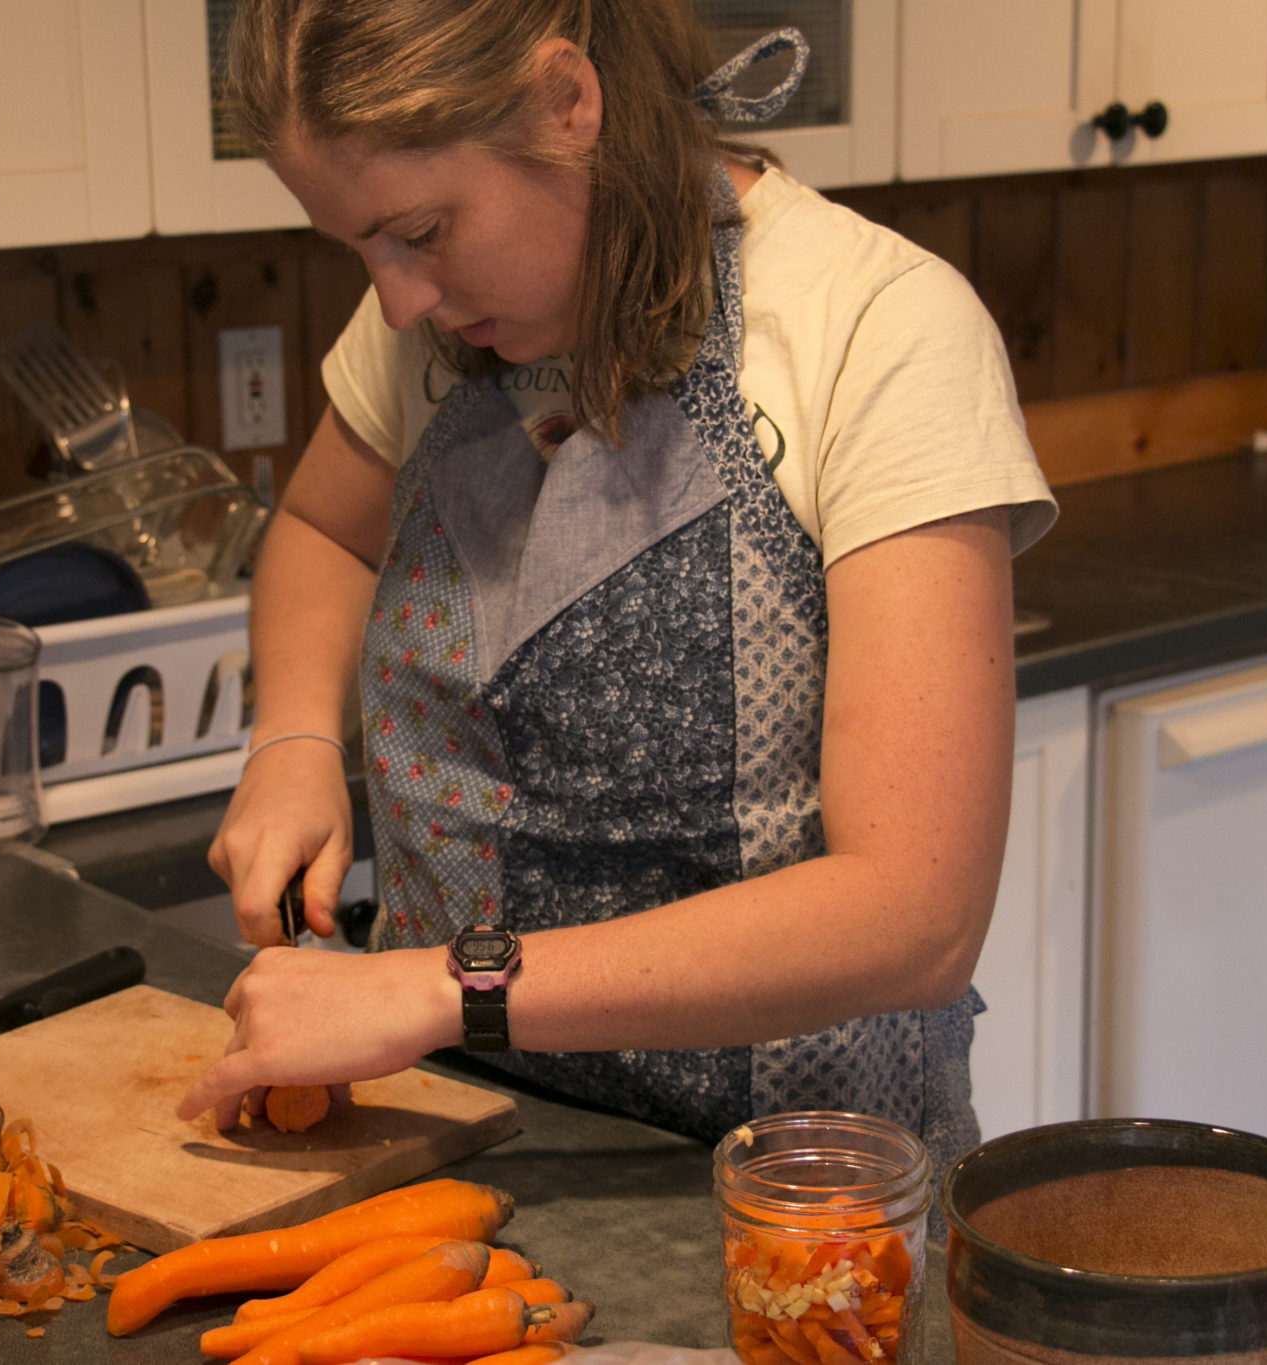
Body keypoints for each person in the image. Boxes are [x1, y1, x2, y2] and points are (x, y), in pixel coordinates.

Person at [176, 0, 1058, 1190]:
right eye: (362, 251)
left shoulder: (880, 327)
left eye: (421, 231)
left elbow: (913, 913)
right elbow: (322, 529)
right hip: (455, 1145)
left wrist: (440, 987)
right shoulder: (435, 326)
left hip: (795, 1205)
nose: (394, 300)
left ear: (565, 102)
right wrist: (287, 739)